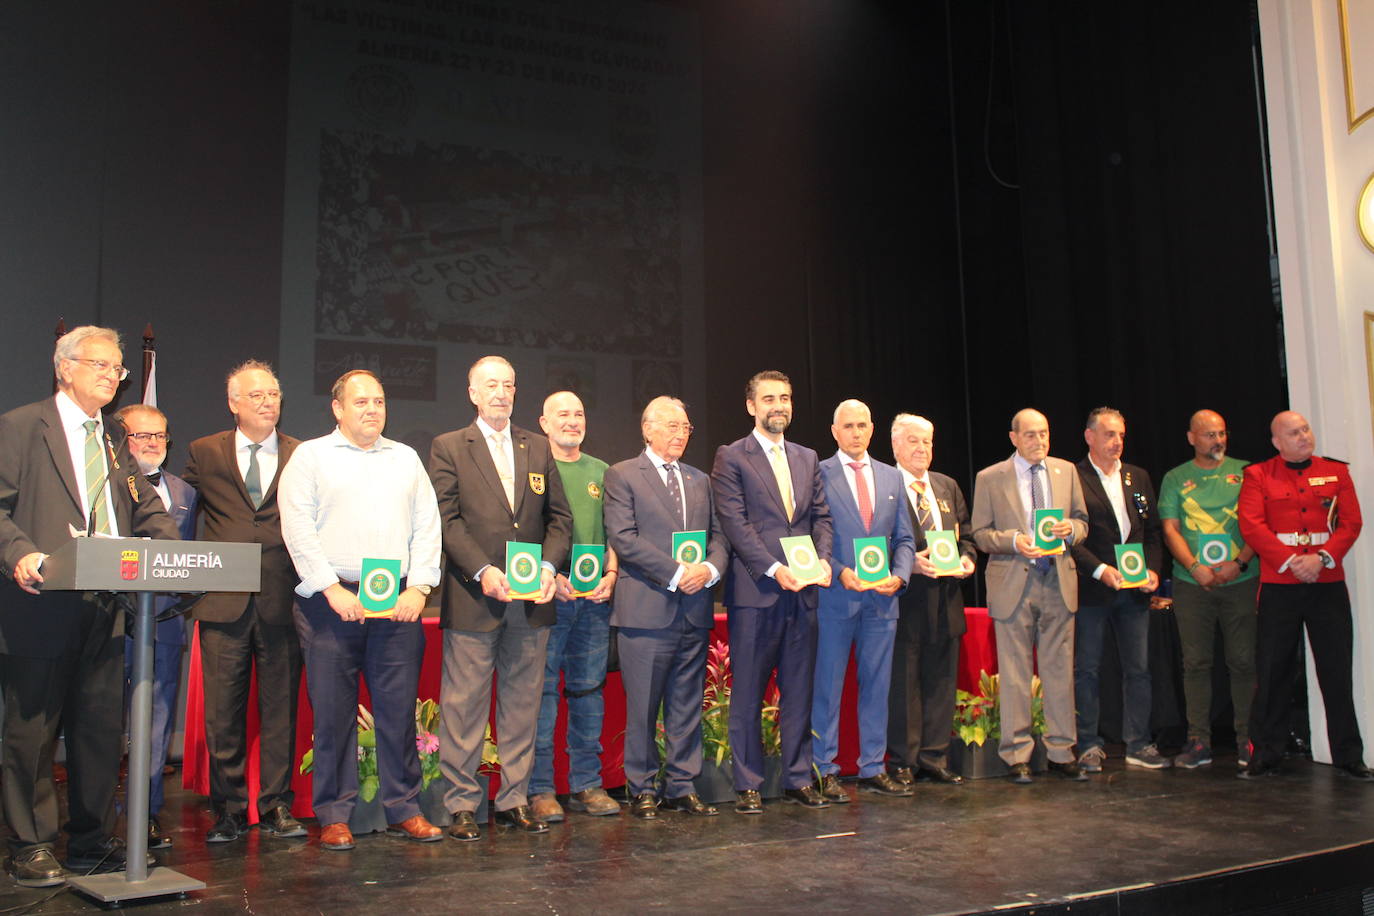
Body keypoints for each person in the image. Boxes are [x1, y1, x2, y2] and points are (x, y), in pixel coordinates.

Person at [0, 326, 178, 886]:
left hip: (105, 608)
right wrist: (21, 554)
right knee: (32, 731)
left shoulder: (111, 442)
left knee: (98, 731)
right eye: (99, 364)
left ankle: (89, 840)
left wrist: (177, 553)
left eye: (117, 369)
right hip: (39, 603)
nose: (110, 375)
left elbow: (147, 510)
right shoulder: (23, 427)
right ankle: (29, 843)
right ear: (65, 367)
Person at [279, 369, 443, 851]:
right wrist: (330, 588)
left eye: (379, 401)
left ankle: (405, 809)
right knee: (332, 715)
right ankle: (334, 814)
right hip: (332, 605)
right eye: (361, 402)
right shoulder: (310, 457)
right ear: (338, 408)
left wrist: (419, 589)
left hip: (396, 606)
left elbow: (427, 527)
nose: (372, 409)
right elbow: (297, 529)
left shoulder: (406, 459)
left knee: (397, 713)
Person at [429, 356, 572, 841]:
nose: (501, 393)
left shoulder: (537, 446)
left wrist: (550, 568)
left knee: (521, 706)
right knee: (464, 706)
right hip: (475, 597)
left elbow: (560, 520)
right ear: (472, 392)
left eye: (509, 385)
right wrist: (484, 572)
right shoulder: (449, 446)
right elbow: (446, 522)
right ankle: (463, 805)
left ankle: (512, 799)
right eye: (491, 385)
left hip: (531, 604)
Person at [182, 360, 306, 842]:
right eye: (255, 395)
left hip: (283, 598)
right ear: (233, 402)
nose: (267, 402)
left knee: (280, 710)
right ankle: (229, 808)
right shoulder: (203, 452)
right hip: (222, 602)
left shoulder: (304, 454)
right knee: (223, 713)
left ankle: (276, 804)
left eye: (273, 394)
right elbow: (180, 514)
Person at [711, 370, 834, 813]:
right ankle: (747, 782)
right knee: (748, 691)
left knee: (799, 688)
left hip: (804, 594)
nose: (777, 405)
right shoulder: (731, 457)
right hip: (757, 592)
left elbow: (821, 517)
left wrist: (822, 559)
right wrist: (774, 568)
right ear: (751, 406)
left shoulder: (807, 456)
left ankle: (799, 777)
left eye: (784, 397)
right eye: (768, 399)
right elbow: (735, 524)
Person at [603, 396, 728, 818]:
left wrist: (708, 569)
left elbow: (719, 538)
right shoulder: (622, 475)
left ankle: (682, 784)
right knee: (642, 706)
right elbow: (624, 538)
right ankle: (641, 787)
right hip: (646, 611)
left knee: (686, 702)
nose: (680, 434)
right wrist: (677, 573)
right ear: (648, 428)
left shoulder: (700, 480)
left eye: (686, 427)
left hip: (693, 610)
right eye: (672, 426)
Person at [1237, 411, 1372, 780]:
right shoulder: (1258, 474)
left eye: (1305, 429)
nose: (1303, 436)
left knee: (1336, 670)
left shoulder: (1337, 472)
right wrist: (1292, 562)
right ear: (1277, 442)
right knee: (1274, 670)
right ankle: (1266, 754)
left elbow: (1351, 523)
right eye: (1293, 433)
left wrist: (1322, 558)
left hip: (1326, 581)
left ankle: (1349, 755)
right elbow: (1251, 524)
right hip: (1281, 585)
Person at [971, 408, 1089, 784]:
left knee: (1060, 671)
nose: (1040, 441)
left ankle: (1060, 751)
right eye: (1031, 435)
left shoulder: (1066, 470)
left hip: (1058, 580)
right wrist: (1013, 541)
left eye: (1045, 434)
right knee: (1016, 673)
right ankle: (1017, 754)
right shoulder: (990, 477)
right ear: (1014, 438)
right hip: (1013, 582)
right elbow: (980, 533)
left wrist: (1071, 529)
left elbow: (1083, 521)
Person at [812, 400, 914, 800]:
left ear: (872, 430)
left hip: (882, 602)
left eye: (862, 425)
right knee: (828, 686)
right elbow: (812, 535)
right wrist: (839, 570)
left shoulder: (892, 477)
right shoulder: (818, 473)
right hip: (836, 598)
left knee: (877, 686)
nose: (856, 432)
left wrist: (901, 574)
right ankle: (825, 768)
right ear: (834, 432)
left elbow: (904, 538)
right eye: (847, 426)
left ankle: (873, 767)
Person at [528, 391, 620, 823]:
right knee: (542, 696)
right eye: (561, 414)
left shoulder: (602, 471)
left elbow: (617, 534)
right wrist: (550, 576)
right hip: (549, 598)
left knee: (588, 693)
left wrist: (612, 576)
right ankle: (540, 789)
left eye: (579, 414)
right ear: (543, 423)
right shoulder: (532, 469)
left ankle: (586, 783)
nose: (571, 421)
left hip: (594, 603)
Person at [114, 403, 198, 849]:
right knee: (105, 719)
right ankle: (100, 816)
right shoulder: (103, 485)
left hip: (163, 622)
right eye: (141, 436)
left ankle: (143, 815)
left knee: (156, 722)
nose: (151, 444)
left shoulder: (185, 491)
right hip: (110, 620)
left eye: (159, 437)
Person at [1157, 409, 1258, 769]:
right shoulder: (1175, 478)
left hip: (1241, 581)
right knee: (1196, 663)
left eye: (1221, 434)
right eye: (1209, 435)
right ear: (1191, 438)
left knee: (1244, 661)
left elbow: (1258, 524)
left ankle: (1249, 741)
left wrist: (1240, 563)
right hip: (1191, 585)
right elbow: (1170, 529)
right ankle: (1199, 741)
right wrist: (1195, 567)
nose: (1217, 440)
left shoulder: (1247, 473)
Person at [1069, 408, 1165, 773]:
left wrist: (1153, 572)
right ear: (1089, 437)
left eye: (1121, 435)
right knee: (1087, 670)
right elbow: (1069, 539)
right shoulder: (1073, 477)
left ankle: (1139, 743)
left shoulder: (1136, 476)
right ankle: (1089, 744)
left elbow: (1152, 532)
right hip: (1094, 590)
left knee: (1139, 669)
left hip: (1135, 590)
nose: (1117, 442)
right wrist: (1100, 570)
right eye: (1109, 434)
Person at [885, 414, 976, 787]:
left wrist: (968, 559)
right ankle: (903, 760)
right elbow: (874, 541)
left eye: (927, 442)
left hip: (947, 600)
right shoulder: (885, 484)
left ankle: (934, 757)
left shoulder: (946, 485)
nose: (922, 448)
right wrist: (908, 564)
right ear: (895, 445)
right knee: (904, 685)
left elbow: (966, 535)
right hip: (906, 599)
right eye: (913, 441)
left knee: (941, 681)